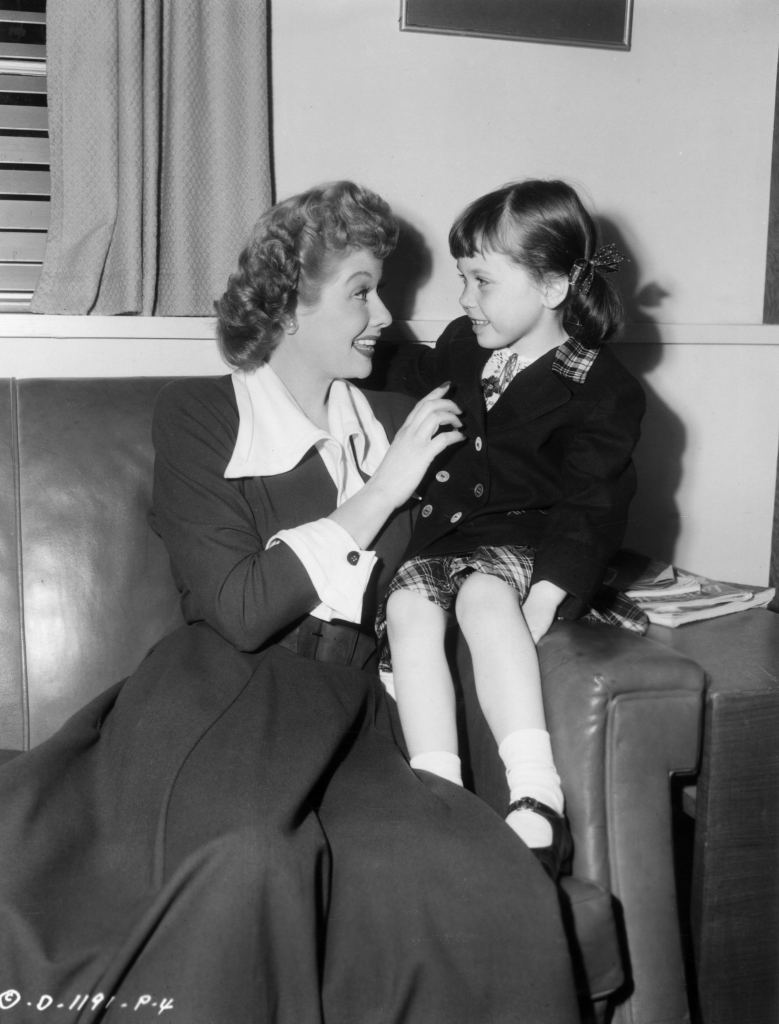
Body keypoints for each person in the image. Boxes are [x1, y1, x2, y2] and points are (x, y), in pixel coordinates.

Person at [0, 181, 580, 1024]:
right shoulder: (201, 414)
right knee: (246, 868)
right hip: (224, 697)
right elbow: (237, 608)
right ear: (286, 303)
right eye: (360, 291)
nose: (384, 315)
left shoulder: (402, 417)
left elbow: (542, 488)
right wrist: (377, 495)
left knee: (477, 886)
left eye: (380, 288)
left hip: (359, 719)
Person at [379, 179, 645, 880]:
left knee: (483, 601)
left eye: (481, 282)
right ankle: (435, 790)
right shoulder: (468, 342)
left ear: (553, 286)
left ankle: (535, 793)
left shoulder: (599, 384)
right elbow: (413, 367)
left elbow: (593, 500)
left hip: (527, 543)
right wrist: (354, 344)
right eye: (463, 279)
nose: (464, 300)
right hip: (443, 538)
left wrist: (550, 592)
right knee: (406, 608)